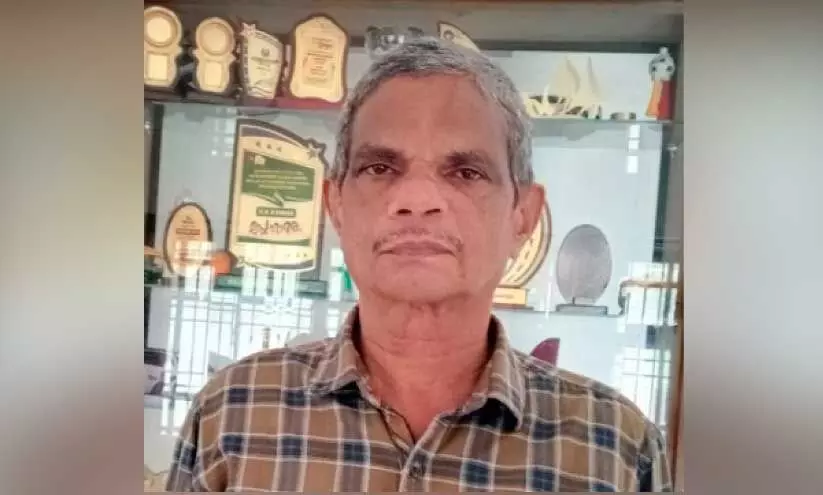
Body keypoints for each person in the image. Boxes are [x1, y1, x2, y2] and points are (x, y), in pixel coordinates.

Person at [165, 37, 672, 492]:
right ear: (335, 204)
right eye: (380, 167)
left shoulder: (616, 450)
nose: (418, 199)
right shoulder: (230, 416)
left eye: (466, 171)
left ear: (524, 216)